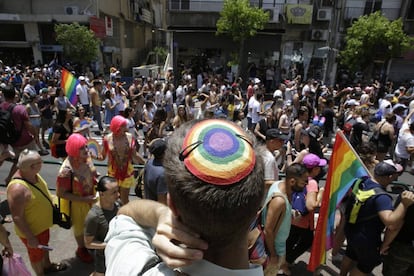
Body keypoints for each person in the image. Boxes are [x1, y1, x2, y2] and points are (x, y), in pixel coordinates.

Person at [104, 119, 265, 275]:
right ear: (258, 207)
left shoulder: (133, 268)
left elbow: (126, 213)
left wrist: (160, 214)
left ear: (171, 205)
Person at [339, 160, 414, 276]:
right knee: (368, 263)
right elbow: (390, 221)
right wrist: (404, 204)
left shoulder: (361, 182)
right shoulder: (382, 197)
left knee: (350, 253)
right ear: (389, 176)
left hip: (352, 229)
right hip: (366, 237)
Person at [7, 150, 67, 275]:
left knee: (44, 248)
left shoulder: (33, 175)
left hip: (43, 227)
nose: (42, 163)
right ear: (31, 167)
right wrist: (30, 237)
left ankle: (48, 266)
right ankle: (40, 273)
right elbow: (17, 217)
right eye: (40, 162)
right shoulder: (18, 189)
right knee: (36, 256)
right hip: (33, 232)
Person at [56, 134, 98, 263]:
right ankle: (81, 249)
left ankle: (90, 243)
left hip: (91, 197)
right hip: (78, 203)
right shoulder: (66, 171)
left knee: (92, 223)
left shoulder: (86, 157)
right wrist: (84, 200)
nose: (86, 150)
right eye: (81, 148)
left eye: (85, 146)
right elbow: (60, 193)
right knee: (80, 227)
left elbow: (91, 171)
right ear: (74, 151)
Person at [262, 163, 308, 276]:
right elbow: (268, 230)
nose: (305, 185)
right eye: (303, 182)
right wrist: (273, 255)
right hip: (274, 249)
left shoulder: (280, 184)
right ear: (292, 181)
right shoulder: (279, 201)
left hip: (280, 247)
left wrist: (290, 213)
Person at [285, 153, 326, 268]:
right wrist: (321, 193)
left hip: (292, 217)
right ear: (315, 169)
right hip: (303, 221)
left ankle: (284, 262)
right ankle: (286, 262)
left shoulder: (297, 177)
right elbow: (311, 206)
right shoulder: (311, 183)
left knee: (290, 241)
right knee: (307, 241)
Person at [100, 115, 145, 204]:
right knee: (113, 197)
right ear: (116, 127)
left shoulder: (129, 137)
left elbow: (134, 154)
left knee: (124, 199)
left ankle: (124, 215)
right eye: (123, 126)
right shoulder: (107, 139)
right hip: (113, 172)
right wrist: (92, 155)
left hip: (127, 171)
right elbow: (103, 157)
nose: (125, 128)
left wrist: (145, 163)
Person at [0, 85, 38, 185]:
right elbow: (29, 126)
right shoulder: (20, 109)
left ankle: (10, 178)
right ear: (15, 95)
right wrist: (35, 136)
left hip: (9, 140)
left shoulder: (1, 107)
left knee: (17, 160)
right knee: (32, 161)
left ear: (3, 95)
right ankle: (27, 181)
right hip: (24, 140)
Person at [84, 176, 120, 276]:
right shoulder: (93, 216)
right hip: (103, 258)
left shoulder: (118, 204)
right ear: (102, 194)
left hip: (117, 254)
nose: (118, 194)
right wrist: (109, 246)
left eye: (118, 191)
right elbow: (88, 243)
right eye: (114, 193)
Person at [262, 128, 288, 194]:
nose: (283, 143)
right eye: (280, 140)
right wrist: (285, 183)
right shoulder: (269, 158)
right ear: (271, 142)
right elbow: (267, 182)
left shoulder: (262, 151)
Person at [144, 138, 168, 204]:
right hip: (156, 210)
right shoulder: (162, 174)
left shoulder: (149, 163)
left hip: (148, 204)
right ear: (164, 153)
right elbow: (162, 201)